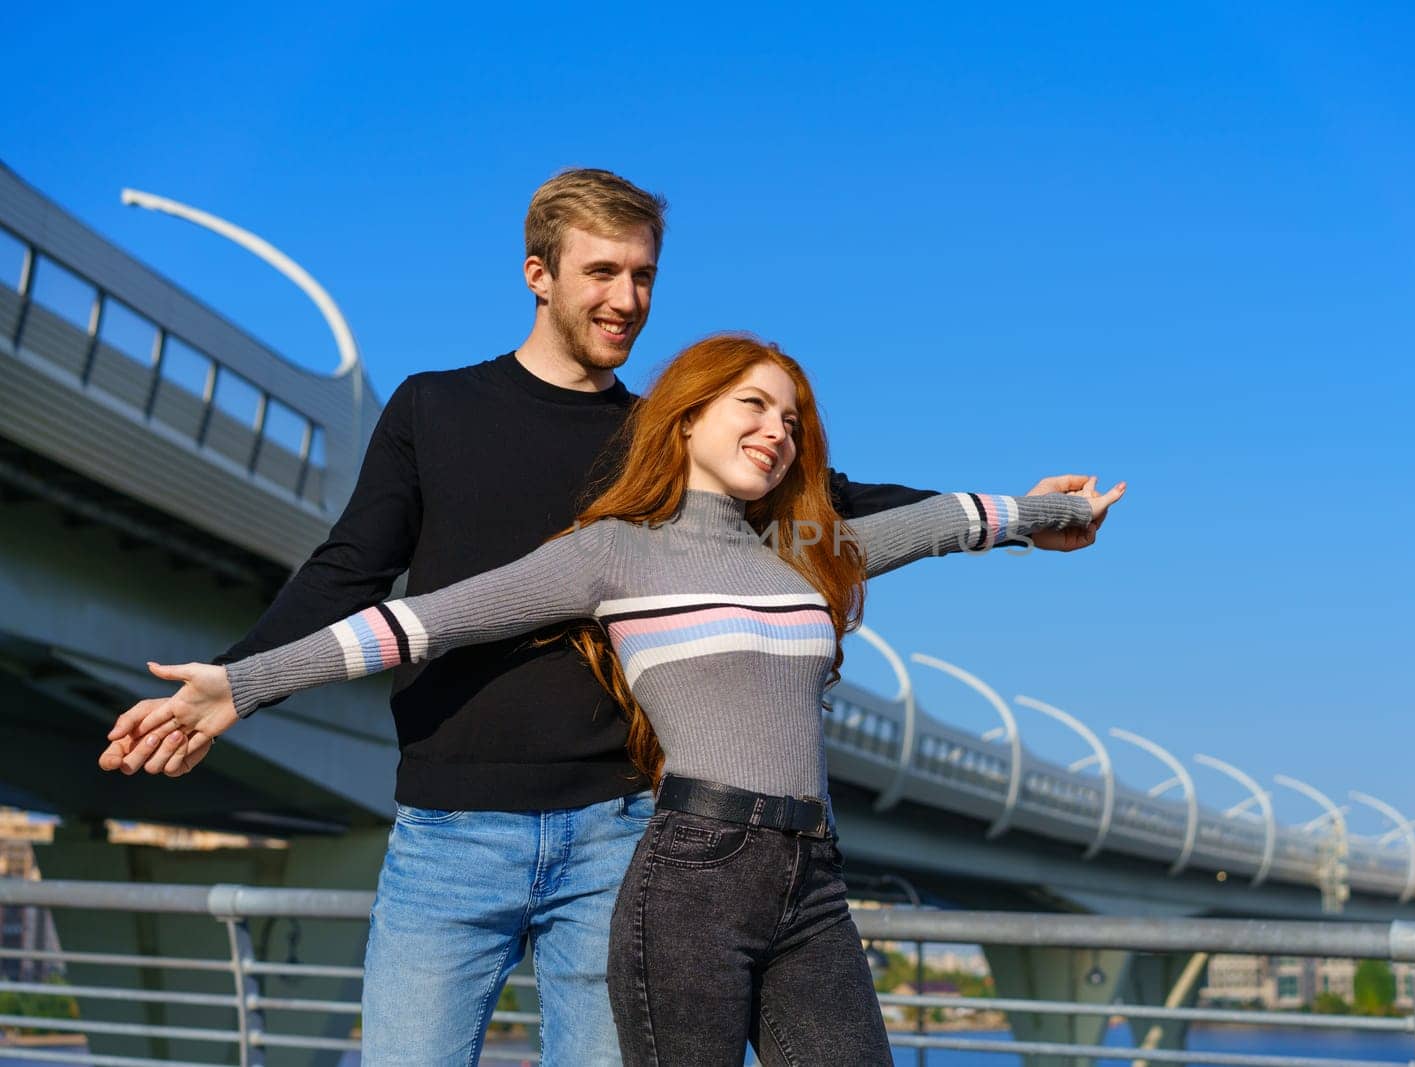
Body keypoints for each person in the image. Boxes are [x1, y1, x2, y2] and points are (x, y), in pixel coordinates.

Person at [97, 169, 1110, 1064]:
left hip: (623, 828)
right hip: (449, 829)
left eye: (643, 276)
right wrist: (237, 678)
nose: (626, 299)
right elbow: (353, 572)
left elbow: (830, 505)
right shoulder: (435, 409)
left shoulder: (669, 435)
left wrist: (1032, 517)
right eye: (602, 273)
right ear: (538, 273)